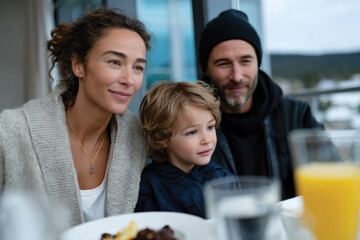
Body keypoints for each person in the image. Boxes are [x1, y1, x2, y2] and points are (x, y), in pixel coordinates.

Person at [0, 8, 152, 228]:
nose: (129, 80)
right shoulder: (11, 132)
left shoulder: (138, 138)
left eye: (138, 67)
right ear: (78, 65)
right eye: (115, 62)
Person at [198, 9, 323, 200]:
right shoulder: (191, 124)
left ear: (258, 63)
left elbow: (329, 175)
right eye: (223, 64)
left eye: (245, 61)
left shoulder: (297, 115)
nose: (237, 76)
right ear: (206, 69)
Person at [134, 81, 233, 218]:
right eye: (192, 132)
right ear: (162, 138)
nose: (207, 139)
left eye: (210, 127)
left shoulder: (222, 179)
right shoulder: (149, 187)